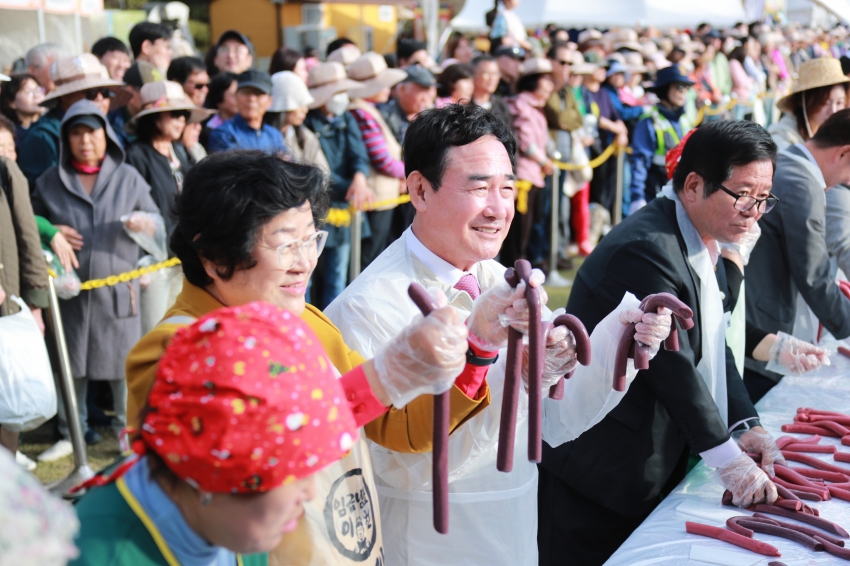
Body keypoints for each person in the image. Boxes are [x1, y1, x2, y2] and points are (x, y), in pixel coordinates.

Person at [325, 102, 672, 565]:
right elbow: (401, 465)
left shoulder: (502, 279)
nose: (498, 208)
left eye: (507, 187)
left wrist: (622, 341)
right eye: (479, 188)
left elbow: (553, 421)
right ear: (420, 190)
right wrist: (497, 364)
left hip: (512, 524)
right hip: (431, 541)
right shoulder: (369, 306)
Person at [124, 149, 506, 564]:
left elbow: (400, 427)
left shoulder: (306, 321)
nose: (306, 262)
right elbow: (253, 457)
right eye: (286, 245)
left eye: (312, 239)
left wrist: (478, 351)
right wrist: (380, 377)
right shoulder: (173, 348)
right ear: (214, 257)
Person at [539, 120, 785, 565]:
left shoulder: (697, 237)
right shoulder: (646, 247)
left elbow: (712, 341)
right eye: (744, 194)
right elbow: (675, 365)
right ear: (693, 185)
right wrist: (725, 457)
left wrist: (745, 424)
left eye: (763, 198)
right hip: (599, 472)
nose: (754, 210)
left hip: (646, 463)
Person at [71, 301, 361, 566]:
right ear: (212, 472)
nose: (310, 492)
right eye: (294, 471)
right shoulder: (98, 556)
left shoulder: (233, 520)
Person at [30, 100, 159, 456]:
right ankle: (70, 433)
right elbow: (28, 228)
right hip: (70, 295)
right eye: (76, 132)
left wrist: (144, 225)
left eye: (93, 132)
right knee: (70, 368)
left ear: (107, 136)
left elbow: (158, 224)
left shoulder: (128, 177)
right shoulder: (50, 181)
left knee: (123, 366)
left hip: (118, 291)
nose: (85, 140)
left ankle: (126, 433)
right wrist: (51, 229)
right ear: (65, 139)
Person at [745, 109, 850, 402]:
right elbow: (814, 274)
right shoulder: (804, 184)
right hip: (760, 322)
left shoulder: (789, 161)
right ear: (843, 153)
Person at [125, 81, 210, 334]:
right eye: (174, 114)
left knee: (183, 330)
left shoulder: (182, 154)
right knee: (155, 332)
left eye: (184, 115)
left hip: (185, 257)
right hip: (152, 263)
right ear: (152, 117)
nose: (181, 120)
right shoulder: (136, 155)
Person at [303, 61, 371, 308]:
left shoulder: (346, 119)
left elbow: (359, 154)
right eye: (337, 92)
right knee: (306, 278)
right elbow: (317, 170)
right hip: (317, 209)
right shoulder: (308, 123)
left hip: (345, 208)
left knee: (338, 277)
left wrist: (360, 178)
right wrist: (350, 187)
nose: (342, 98)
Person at [0, 154, 48, 470]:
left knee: (6, 408)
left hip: (6, 307)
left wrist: (35, 304)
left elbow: (28, 236)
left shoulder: (5, 169)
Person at [18, 53, 131, 187]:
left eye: (105, 92)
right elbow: (42, 192)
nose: (100, 98)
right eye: (91, 93)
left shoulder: (111, 128)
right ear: (65, 97)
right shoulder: (42, 137)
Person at [347, 52, 408, 268]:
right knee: (370, 260)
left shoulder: (367, 110)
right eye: (381, 84)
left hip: (382, 195)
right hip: (376, 197)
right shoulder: (360, 112)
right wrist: (411, 172)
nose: (387, 88)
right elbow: (382, 160)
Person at [502, 58, 555, 268]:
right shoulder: (521, 105)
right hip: (524, 174)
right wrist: (543, 160)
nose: (550, 85)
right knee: (518, 230)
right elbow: (525, 141)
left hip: (534, 174)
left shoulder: (536, 107)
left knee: (529, 226)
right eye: (546, 80)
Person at [628, 65, 693, 213]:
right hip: (656, 194)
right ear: (665, 89)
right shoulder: (649, 121)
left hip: (680, 194)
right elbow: (639, 162)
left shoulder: (684, 119)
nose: (683, 92)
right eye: (679, 87)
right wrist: (637, 197)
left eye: (687, 87)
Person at [769, 58, 849, 151]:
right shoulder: (784, 136)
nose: (833, 111)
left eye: (839, 102)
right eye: (824, 102)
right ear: (802, 101)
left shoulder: (839, 132)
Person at [207, 70, 287, 154]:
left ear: (270, 101)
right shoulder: (223, 134)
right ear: (236, 96)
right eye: (245, 91)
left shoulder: (274, 135)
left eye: (258, 93)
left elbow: (286, 163)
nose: (251, 98)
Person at [266, 71, 328, 168]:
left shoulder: (306, 138)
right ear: (283, 106)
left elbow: (323, 175)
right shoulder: (259, 137)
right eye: (299, 104)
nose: (305, 110)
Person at [107, 60, 162, 149]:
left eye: (160, 93)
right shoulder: (111, 126)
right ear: (130, 93)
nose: (158, 99)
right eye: (151, 93)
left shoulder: (161, 122)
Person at [378, 65, 436, 145]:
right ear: (402, 90)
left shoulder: (431, 118)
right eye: (420, 91)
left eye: (427, 92)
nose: (425, 98)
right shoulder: (385, 116)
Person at [166, 56, 210, 162]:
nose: (205, 90)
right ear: (176, 83)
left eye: (207, 85)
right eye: (199, 85)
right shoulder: (165, 116)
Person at [0, 73, 45, 150]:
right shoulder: (9, 135)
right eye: (29, 92)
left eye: (38, 90)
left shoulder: (51, 125)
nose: (37, 95)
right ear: (11, 102)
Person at [470, 55, 514, 129]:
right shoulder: (464, 104)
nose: (492, 78)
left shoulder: (501, 106)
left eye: (495, 74)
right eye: (487, 73)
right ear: (474, 75)